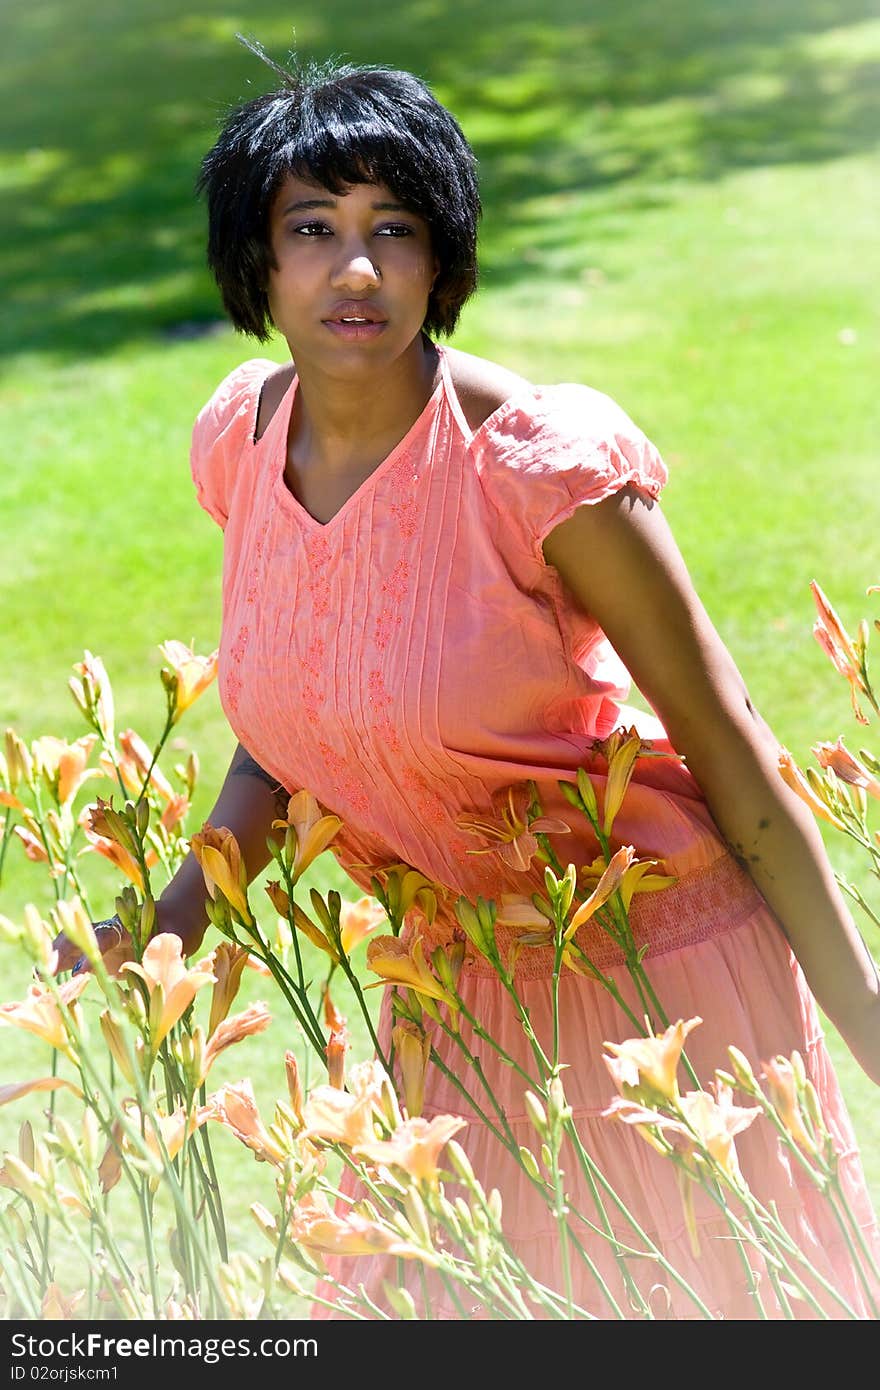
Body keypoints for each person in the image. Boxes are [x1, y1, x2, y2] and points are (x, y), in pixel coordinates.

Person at [54, 54, 880, 1319]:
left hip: (655, 972)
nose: (359, 270)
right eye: (313, 231)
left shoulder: (537, 462)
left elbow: (738, 759)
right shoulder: (241, 442)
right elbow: (291, 729)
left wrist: (868, 1026)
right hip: (455, 995)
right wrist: (177, 918)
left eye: (396, 229)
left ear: (443, 259)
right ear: (255, 264)